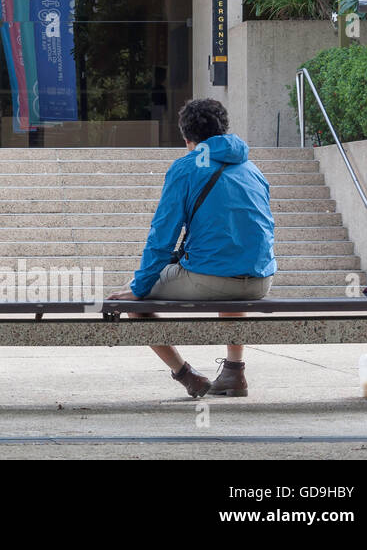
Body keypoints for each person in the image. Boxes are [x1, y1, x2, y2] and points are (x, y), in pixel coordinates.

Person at [106, 99, 276, 398]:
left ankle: (186, 375)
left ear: (187, 139)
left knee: (135, 298)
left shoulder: (186, 167)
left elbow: (162, 236)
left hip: (212, 280)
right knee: (227, 269)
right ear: (224, 129)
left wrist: (138, 286)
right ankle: (234, 372)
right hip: (261, 282)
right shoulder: (252, 168)